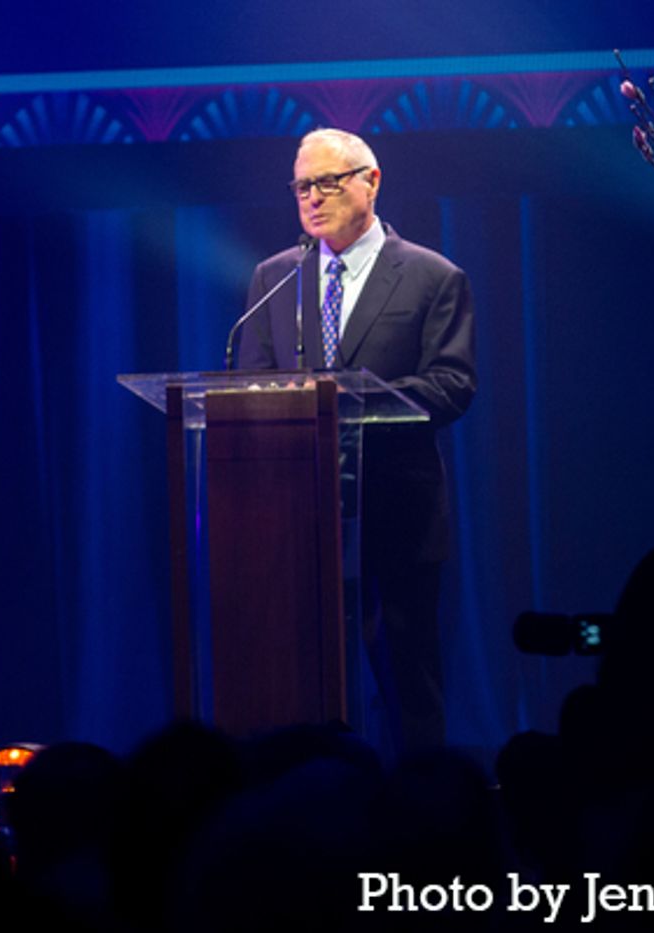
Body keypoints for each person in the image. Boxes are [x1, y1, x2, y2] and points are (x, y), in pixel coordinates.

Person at [236, 128, 476, 753]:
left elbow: (452, 385)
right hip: (298, 519)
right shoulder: (275, 277)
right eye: (301, 187)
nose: (312, 198)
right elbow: (254, 387)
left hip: (397, 515)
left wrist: (352, 403)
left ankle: (423, 824)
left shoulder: (432, 276)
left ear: (370, 181)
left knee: (405, 683)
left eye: (327, 182)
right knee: (302, 689)